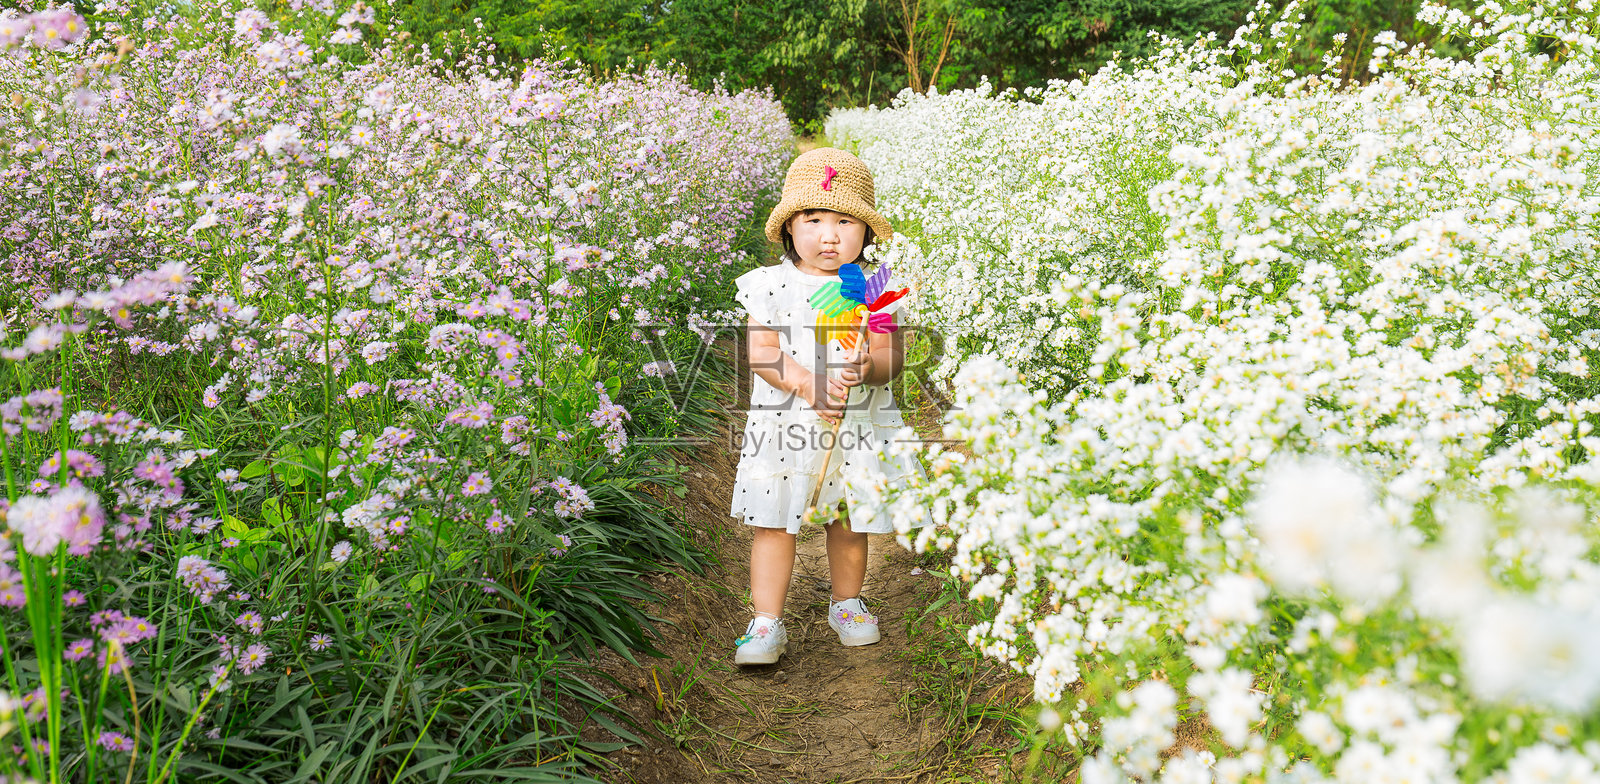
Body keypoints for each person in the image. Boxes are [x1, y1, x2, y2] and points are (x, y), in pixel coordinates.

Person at [728, 147, 931, 667]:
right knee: (773, 522)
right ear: (790, 227)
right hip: (786, 425)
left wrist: (867, 367)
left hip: (856, 427)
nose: (830, 234)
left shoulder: (874, 292)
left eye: (845, 221)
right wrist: (811, 386)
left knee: (846, 517)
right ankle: (767, 619)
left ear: (865, 233)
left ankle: (847, 603)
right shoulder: (769, 285)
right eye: (814, 219)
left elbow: (891, 358)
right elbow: (763, 353)